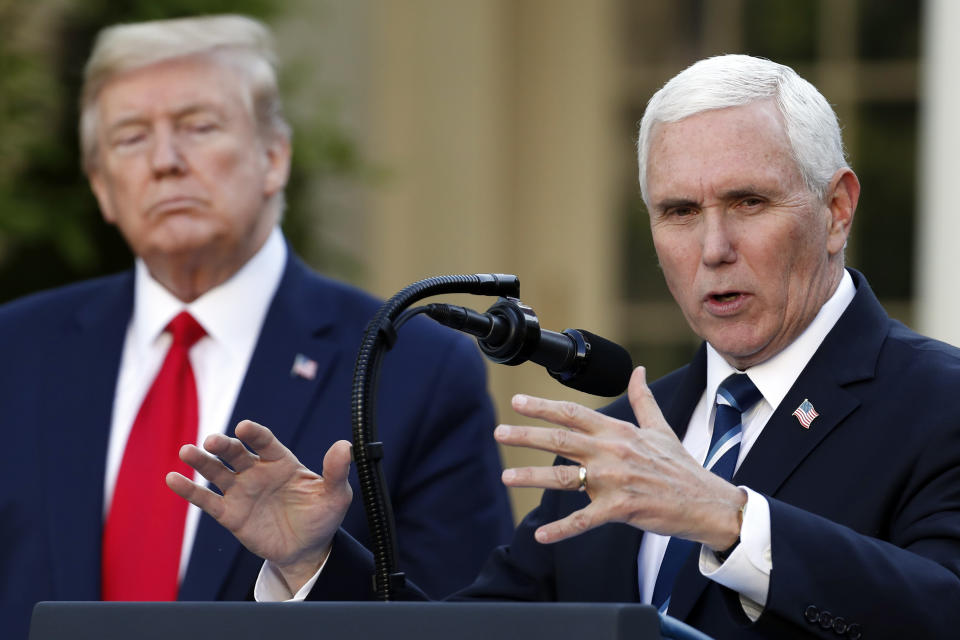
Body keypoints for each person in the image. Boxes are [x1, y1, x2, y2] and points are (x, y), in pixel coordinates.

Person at [169, 54, 960, 639]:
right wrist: (312, 563)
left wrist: (730, 518)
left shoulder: (937, 403)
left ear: (837, 208)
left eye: (748, 201)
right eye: (679, 212)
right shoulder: (619, 439)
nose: (713, 246)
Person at [0, 14, 513, 640]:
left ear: (273, 158)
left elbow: (464, 625)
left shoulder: (412, 368)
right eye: (131, 138)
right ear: (103, 188)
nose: (165, 161)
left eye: (198, 127)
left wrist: (309, 568)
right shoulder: (15, 351)